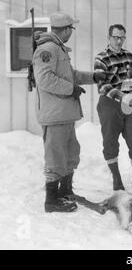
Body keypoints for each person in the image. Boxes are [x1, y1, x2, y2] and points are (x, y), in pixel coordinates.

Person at [33, 12, 110, 213]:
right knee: (55, 157)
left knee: (70, 154)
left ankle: (65, 191)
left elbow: (71, 75)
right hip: (54, 114)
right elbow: (44, 79)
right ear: (65, 29)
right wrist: (71, 88)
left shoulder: (58, 49)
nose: (71, 33)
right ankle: (51, 200)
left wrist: (94, 76)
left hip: (64, 113)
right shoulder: (47, 49)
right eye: (71, 29)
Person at [94, 24, 132, 191]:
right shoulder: (101, 58)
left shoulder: (128, 55)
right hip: (109, 103)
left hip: (130, 103)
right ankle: (117, 179)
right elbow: (102, 86)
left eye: (122, 37)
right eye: (116, 37)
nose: (119, 41)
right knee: (110, 142)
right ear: (109, 38)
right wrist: (121, 96)